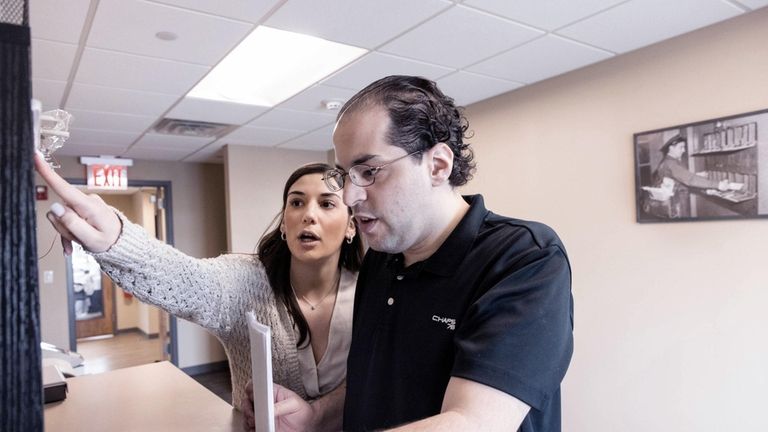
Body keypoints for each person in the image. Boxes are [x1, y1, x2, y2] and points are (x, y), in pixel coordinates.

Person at [266, 75, 574, 432]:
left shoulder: (523, 258)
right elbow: (370, 384)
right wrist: (316, 416)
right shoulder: (381, 258)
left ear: (438, 166)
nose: (350, 197)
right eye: (345, 175)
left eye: (369, 171)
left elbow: (470, 423)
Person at [35, 156, 365, 424]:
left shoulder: (373, 292)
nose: (308, 214)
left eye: (326, 204)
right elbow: (187, 280)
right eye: (296, 203)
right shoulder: (247, 282)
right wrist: (115, 239)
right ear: (283, 223)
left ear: (351, 224)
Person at [644, 134, 733, 218]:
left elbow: (682, 183)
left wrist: (707, 191)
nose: (684, 150)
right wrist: (718, 185)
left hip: (672, 204)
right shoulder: (671, 163)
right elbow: (690, 179)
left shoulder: (670, 162)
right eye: (681, 147)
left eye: (684, 147)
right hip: (673, 206)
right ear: (671, 148)